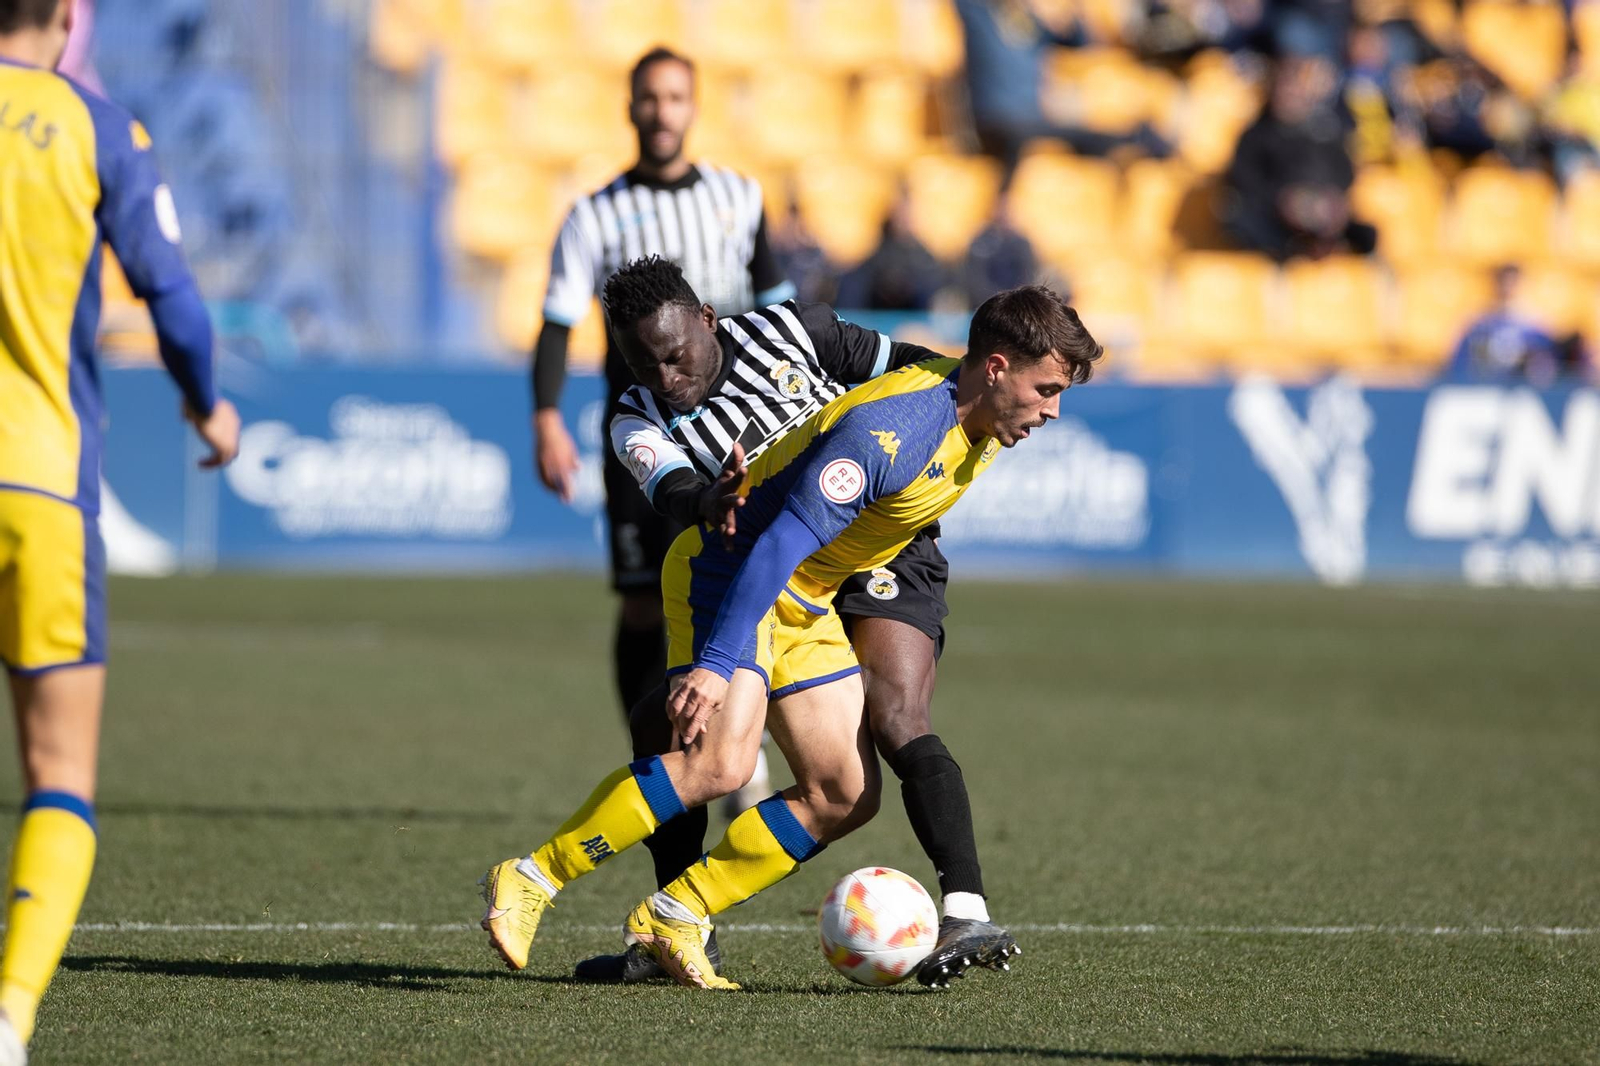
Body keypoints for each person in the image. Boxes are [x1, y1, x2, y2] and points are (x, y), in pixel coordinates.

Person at [480, 284, 1101, 990]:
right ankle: (531, 877)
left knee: (845, 791)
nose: (1052, 409)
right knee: (721, 765)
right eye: (1046, 389)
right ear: (995, 368)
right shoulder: (890, 435)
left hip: (805, 596)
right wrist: (715, 665)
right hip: (733, 575)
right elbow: (774, 545)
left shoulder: (976, 415)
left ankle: (679, 912)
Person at [570, 256, 1011, 986]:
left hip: (877, 546)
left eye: (675, 354)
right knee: (665, 726)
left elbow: (910, 369)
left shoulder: (793, 330)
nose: (665, 377)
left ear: (708, 318)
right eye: (642, 363)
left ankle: (965, 907)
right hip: (772, 568)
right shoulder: (633, 414)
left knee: (897, 715)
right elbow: (672, 487)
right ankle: (678, 930)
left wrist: (938, 448)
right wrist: (710, 500)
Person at [0, 1, 240, 1059]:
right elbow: (174, 295)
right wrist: (207, 402)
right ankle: (7, 1015)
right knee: (60, 777)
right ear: (63, 16)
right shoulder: (99, 128)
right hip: (41, 485)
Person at [528, 47, 794, 729]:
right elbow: (557, 324)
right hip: (646, 431)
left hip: (746, 422)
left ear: (693, 107)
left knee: (757, 577)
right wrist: (547, 419)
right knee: (644, 600)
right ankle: (655, 750)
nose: (661, 111)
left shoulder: (739, 197)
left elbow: (782, 307)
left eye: (675, 98)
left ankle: (743, 753)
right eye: (649, 98)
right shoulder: (594, 214)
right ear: (630, 107)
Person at [1443, 265, 1562, 385]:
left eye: (1512, 283)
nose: (1507, 288)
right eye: (1504, 282)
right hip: (1486, 386)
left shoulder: (1537, 326)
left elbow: (1551, 363)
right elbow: (1461, 361)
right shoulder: (1479, 323)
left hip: (1523, 388)